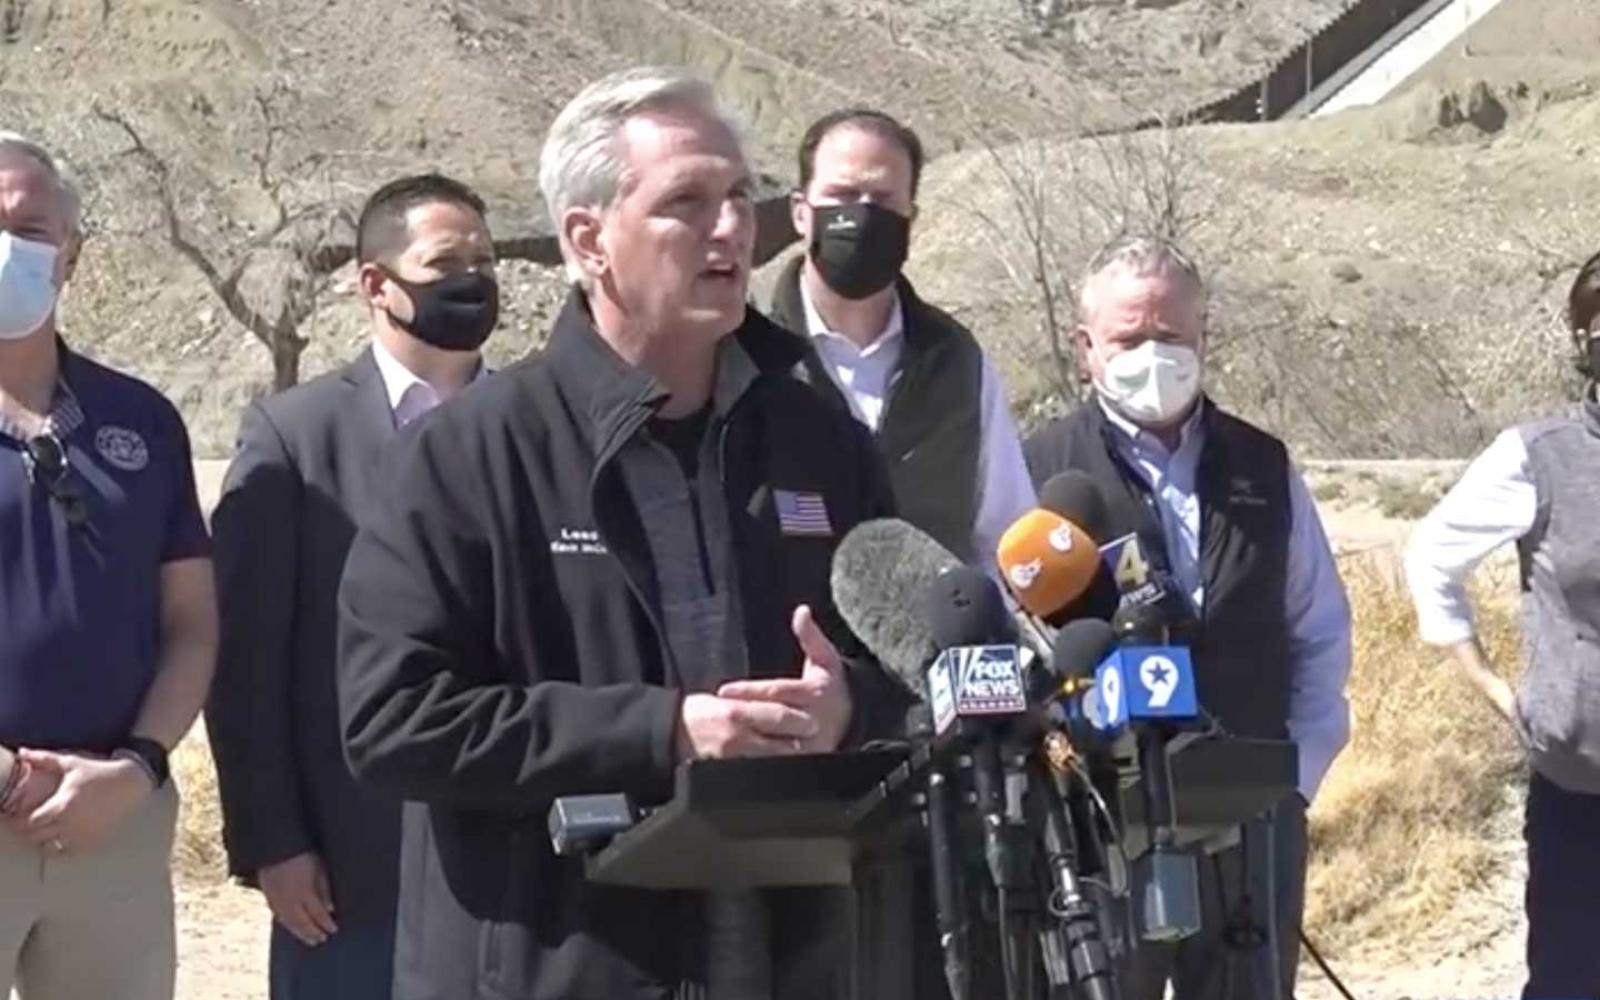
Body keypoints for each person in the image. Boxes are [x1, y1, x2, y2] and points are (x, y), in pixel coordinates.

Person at [335, 67, 905, 1000]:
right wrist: (664, 732)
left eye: (737, 197)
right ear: (588, 240)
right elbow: (395, 721)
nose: (730, 229)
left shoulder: (822, 443)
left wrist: (850, 712)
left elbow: (912, 679)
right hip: (555, 961)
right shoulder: (471, 456)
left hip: (796, 958)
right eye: (685, 201)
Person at [1024, 235, 1351, 1000]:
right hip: (1103, 821)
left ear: (1203, 337)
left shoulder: (1263, 465)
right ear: (1085, 348)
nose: (1152, 356)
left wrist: (1293, 781)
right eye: (1129, 339)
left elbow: (1319, 633)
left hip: (1254, 817)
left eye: (1170, 337)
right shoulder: (1040, 473)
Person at [207, 173, 498, 1000]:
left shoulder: (533, 426)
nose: (473, 279)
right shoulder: (296, 440)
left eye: (484, 259)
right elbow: (247, 660)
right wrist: (272, 842)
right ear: (378, 284)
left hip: (508, 861)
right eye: (445, 262)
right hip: (348, 873)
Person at [0, 132, 217, 1000]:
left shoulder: (143, 421)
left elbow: (192, 625)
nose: (8, 248)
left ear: (74, 253)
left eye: (31, 227)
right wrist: (12, 777)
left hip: (113, 823)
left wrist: (136, 767)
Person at [1403, 251, 1600, 999]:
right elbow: (1431, 558)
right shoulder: (1538, 459)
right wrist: (1492, 687)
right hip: (1582, 787)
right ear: (1585, 346)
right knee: (1571, 978)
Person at [767, 107, 1035, 569]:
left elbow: (1006, 540)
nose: (863, 214)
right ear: (800, 212)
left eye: (882, 200)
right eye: (843, 194)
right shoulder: (747, 354)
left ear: (910, 216)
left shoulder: (958, 366)